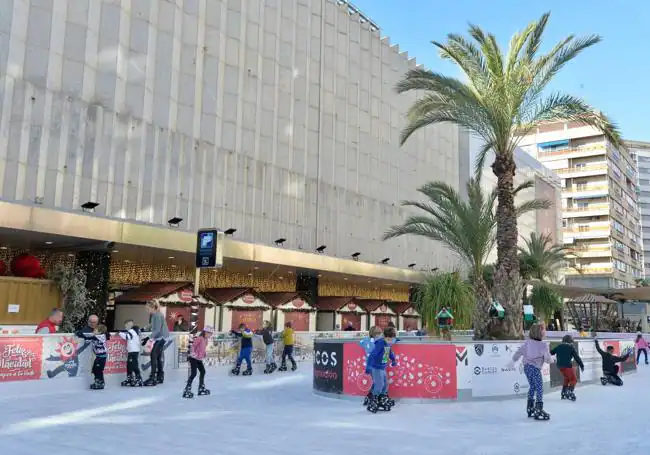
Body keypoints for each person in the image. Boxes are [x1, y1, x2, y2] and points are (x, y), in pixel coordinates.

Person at [511, 323, 552, 420]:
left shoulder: (527, 343)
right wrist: (553, 359)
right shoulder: (543, 345)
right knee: (539, 388)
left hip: (526, 367)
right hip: (535, 368)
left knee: (532, 387)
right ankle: (538, 408)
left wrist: (514, 359)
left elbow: (519, 352)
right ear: (540, 332)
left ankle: (530, 407)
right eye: (543, 330)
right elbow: (547, 359)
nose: (544, 332)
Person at [365, 326, 397, 413]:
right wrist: (368, 366)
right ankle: (373, 400)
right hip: (376, 368)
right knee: (379, 385)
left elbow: (389, 352)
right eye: (389, 339)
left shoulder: (387, 343)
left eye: (392, 339)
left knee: (385, 384)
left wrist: (393, 359)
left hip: (382, 368)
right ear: (385, 337)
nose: (391, 341)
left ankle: (382, 398)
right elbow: (372, 355)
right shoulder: (381, 343)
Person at [75, 324, 110, 390]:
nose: (93, 331)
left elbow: (89, 338)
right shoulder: (97, 336)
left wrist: (80, 334)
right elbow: (89, 338)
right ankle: (98, 381)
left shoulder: (99, 337)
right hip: (99, 356)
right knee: (95, 369)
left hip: (101, 357)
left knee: (98, 370)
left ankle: (100, 382)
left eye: (95, 330)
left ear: (100, 332)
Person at [183, 325, 214, 398]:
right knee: (194, 373)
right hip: (193, 358)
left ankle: (201, 388)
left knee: (203, 371)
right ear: (205, 332)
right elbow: (193, 346)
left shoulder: (205, 339)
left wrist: (204, 353)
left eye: (211, 333)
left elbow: (202, 348)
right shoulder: (200, 338)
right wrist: (193, 353)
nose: (210, 335)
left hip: (199, 359)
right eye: (210, 333)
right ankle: (187, 389)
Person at [550, 334, 584, 401]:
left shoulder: (559, 346)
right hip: (567, 366)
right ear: (570, 341)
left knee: (567, 378)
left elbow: (551, 352)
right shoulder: (571, 347)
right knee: (574, 379)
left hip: (560, 366)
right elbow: (576, 357)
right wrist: (581, 365)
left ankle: (563, 392)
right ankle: (569, 391)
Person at [143, 301, 169, 386]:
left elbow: (157, 330)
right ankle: (160, 376)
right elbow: (152, 325)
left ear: (152, 307)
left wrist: (148, 337)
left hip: (161, 337)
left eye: (148, 308)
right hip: (160, 337)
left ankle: (153, 378)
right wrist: (144, 328)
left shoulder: (157, 315)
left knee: (153, 355)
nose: (147, 310)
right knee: (157, 357)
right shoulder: (155, 315)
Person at [360, 326, 383, 406]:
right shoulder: (378, 342)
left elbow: (361, 342)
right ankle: (374, 397)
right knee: (378, 383)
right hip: (375, 365)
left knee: (376, 382)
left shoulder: (367, 341)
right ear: (375, 334)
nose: (381, 335)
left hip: (373, 365)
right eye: (379, 334)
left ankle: (370, 396)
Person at [117, 320, 142, 387]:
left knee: (133, 365)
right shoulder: (134, 331)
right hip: (133, 351)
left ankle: (138, 379)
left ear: (129, 325)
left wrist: (119, 333)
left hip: (133, 351)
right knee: (129, 365)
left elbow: (127, 337)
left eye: (125, 326)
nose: (125, 328)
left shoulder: (132, 331)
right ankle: (130, 378)